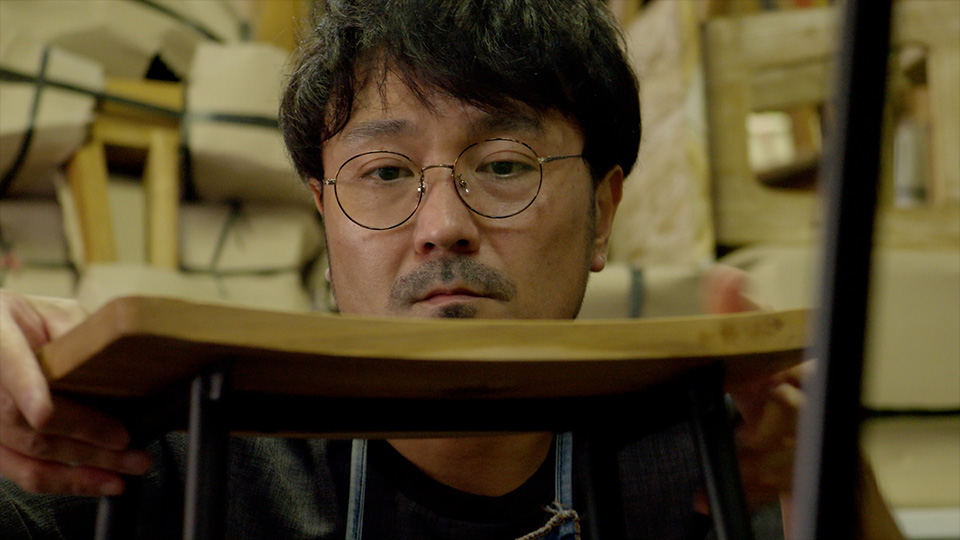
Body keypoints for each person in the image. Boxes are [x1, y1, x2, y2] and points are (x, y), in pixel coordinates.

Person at [0, 1, 904, 539]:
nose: (443, 228)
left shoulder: (717, 459)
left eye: (504, 165)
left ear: (604, 212)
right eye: (386, 173)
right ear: (324, 218)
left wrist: (835, 488)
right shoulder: (165, 453)